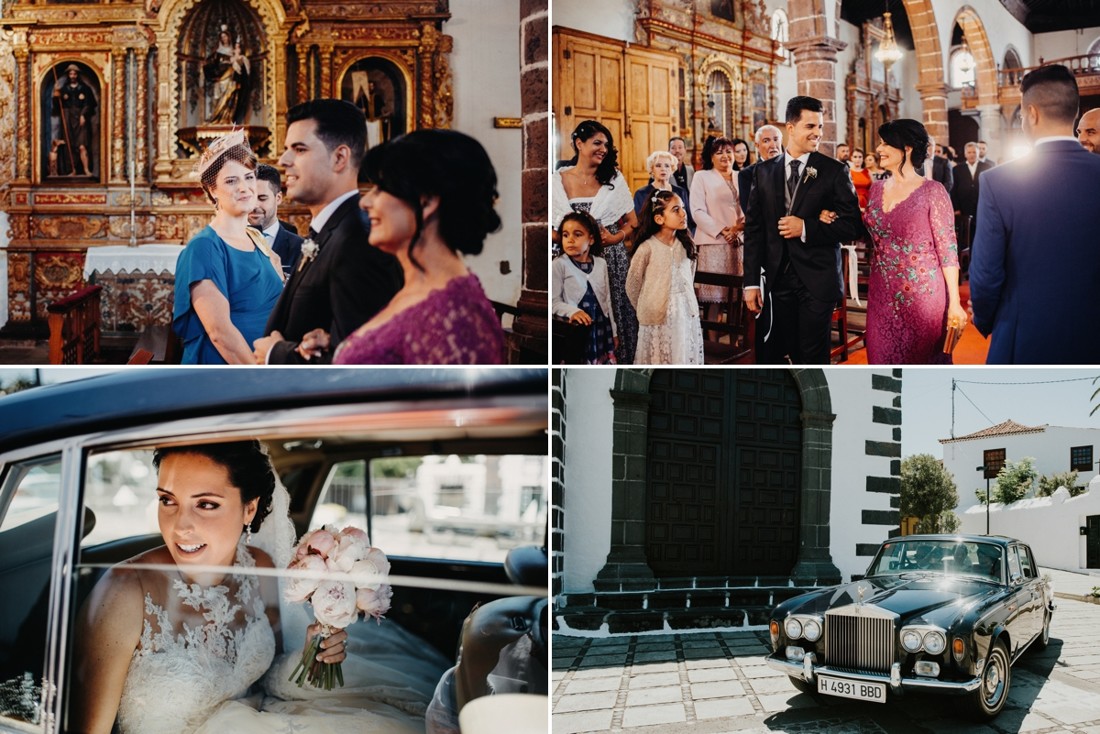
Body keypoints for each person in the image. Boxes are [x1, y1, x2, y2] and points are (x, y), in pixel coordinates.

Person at [72, 440, 442, 734]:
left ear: (249, 509)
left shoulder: (260, 568)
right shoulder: (123, 592)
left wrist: (311, 655)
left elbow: (270, 675)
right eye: (168, 501)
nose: (181, 526)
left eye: (205, 504)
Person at [300, 129, 505, 364]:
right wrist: (344, 347)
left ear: (425, 202)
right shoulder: (422, 288)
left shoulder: (454, 319)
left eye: (380, 189)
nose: (365, 201)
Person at [254, 99, 401, 364]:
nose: (283, 160)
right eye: (287, 148)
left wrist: (276, 355)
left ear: (339, 158)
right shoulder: (330, 230)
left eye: (299, 149)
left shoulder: (358, 240)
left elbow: (366, 363)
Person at [969, 64, 1100, 364]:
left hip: (1023, 336)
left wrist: (990, 321)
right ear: (1074, 114)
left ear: (1031, 114)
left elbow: (986, 275)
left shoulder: (998, 182)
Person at [742, 96, 864, 365]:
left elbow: (853, 225)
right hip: (776, 279)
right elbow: (754, 230)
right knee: (773, 354)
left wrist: (807, 227)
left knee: (810, 356)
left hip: (817, 280)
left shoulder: (834, 171)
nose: (817, 133)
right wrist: (751, 282)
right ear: (791, 127)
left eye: (820, 126)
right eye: (810, 126)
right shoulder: (762, 172)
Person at [858, 119, 965, 364]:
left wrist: (955, 304)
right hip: (881, 296)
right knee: (881, 364)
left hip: (923, 299)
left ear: (906, 148)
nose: (879, 149)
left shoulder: (933, 191)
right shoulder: (876, 189)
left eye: (886, 143)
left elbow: (948, 251)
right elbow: (867, 230)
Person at [173, 131, 284, 364]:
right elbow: (220, 334)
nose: (245, 188)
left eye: (249, 177)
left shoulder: (256, 238)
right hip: (230, 368)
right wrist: (261, 377)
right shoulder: (204, 247)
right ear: (212, 190)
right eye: (231, 181)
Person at [552, 120, 638, 364]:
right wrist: (564, 239)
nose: (603, 149)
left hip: (612, 258)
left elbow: (632, 222)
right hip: (573, 259)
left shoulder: (614, 178)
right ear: (579, 144)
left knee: (615, 314)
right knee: (579, 311)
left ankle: (618, 360)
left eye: (607, 145)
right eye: (597, 143)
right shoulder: (558, 180)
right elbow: (543, 223)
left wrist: (615, 238)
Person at [626, 190, 703, 365]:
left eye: (683, 208)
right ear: (659, 218)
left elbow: (689, 276)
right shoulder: (647, 248)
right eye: (676, 210)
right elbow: (632, 285)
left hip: (685, 313)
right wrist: (647, 306)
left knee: (680, 354)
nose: (683, 213)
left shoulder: (686, 245)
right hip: (655, 318)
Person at [552, 211, 617, 364]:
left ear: (591, 239)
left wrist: (613, 332)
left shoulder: (601, 264)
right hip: (577, 330)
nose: (570, 240)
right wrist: (573, 312)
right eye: (565, 235)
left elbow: (607, 300)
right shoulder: (559, 265)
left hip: (600, 328)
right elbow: (553, 302)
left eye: (577, 234)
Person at [690, 136, 744, 310]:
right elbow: (697, 211)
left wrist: (738, 232)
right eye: (719, 153)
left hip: (739, 242)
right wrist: (723, 230)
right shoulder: (702, 177)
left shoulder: (742, 176)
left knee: (738, 296)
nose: (725, 156)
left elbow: (751, 209)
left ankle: (735, 338)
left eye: (729, 152)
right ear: (711, 156)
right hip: (713, 243)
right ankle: (712, 337)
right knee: (714, 299)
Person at [250, 164, 303, 278]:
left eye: (262, 198)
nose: (254, 205)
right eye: (249, 197)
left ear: (278, 198)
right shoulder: (226, 241)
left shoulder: (300, 247)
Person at [632, 150, 693, 232]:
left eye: (667, 166)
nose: (663, 169)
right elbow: (640, 222)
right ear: (652, 170)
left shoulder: (680, 192)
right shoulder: (642, 193)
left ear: (672, 170)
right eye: (658, 165)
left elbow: (688, 219)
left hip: (678, 236)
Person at [52, 64, 96, 176]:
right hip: (67, 118)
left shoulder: (85, 88)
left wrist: (83, 115)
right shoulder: (64, 89)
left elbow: (89, 103)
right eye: (71, 74)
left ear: (77, 75)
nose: (72, 76)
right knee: (69, 145)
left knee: (82, 145)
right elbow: (58, 107)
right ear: (68, 75)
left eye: (74, 73)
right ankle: (72, 169)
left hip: (80, 119)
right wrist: (56, 97)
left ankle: (86, 169)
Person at [205, 27, 251, 125]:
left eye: (225, 36)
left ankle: (228, 118)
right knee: (219, 99)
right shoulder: (217, 53)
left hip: (231, 79)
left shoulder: (234, 52)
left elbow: (242, 68)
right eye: (222, 37)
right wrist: (214, 74)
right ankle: (217, 118)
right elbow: (210, 65)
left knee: (231, 98)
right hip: (221, 79)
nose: (224, 39)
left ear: (229, 38)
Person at [950, 142, 992, 246]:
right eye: (969, 152)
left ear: (978, 153)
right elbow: (954, 189)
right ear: (965, 154)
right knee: (967, 236)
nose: (972, 154)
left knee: (982, 233)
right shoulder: (957, 169)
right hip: (964, 207)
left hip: (981, 205)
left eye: (974, 152)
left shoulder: (987, 166)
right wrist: (956, 208)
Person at [738, 124, 783, 213]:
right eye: (766, 141)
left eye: (776, 139)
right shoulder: (747, 174)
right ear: (757, 145)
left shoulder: (791, 167)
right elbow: (750, 211)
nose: (773, 145)